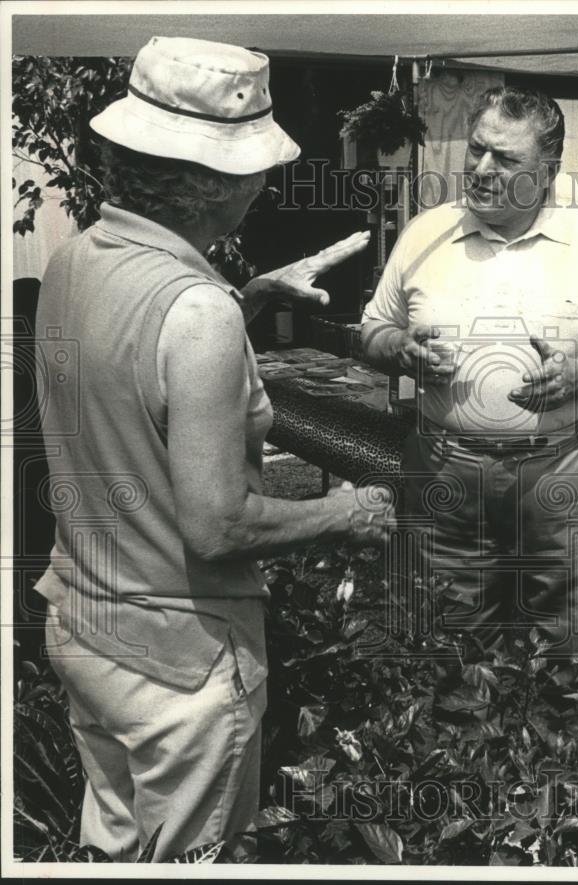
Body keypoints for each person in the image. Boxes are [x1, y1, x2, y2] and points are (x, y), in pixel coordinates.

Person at [35, 36, 394, 860]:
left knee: (115, 849)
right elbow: (216, 526)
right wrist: (344, 510)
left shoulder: (73, 263)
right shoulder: (197, 313)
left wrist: (249, 297)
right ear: (208, 183)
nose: (264, 186)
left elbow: (133, 373)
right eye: (253, 168)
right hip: (178, 665)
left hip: (87, 623)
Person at [361, 86, 578, 699]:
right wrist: (400, 349)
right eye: (476, 150)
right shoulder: (425, 233)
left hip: (567, 468)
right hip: (447, 469)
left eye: (504, 159)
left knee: (568, 639)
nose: (480, 169)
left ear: (547, 170)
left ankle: (565, 779)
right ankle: (463, 777)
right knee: (450, 637)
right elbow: (372, 330)